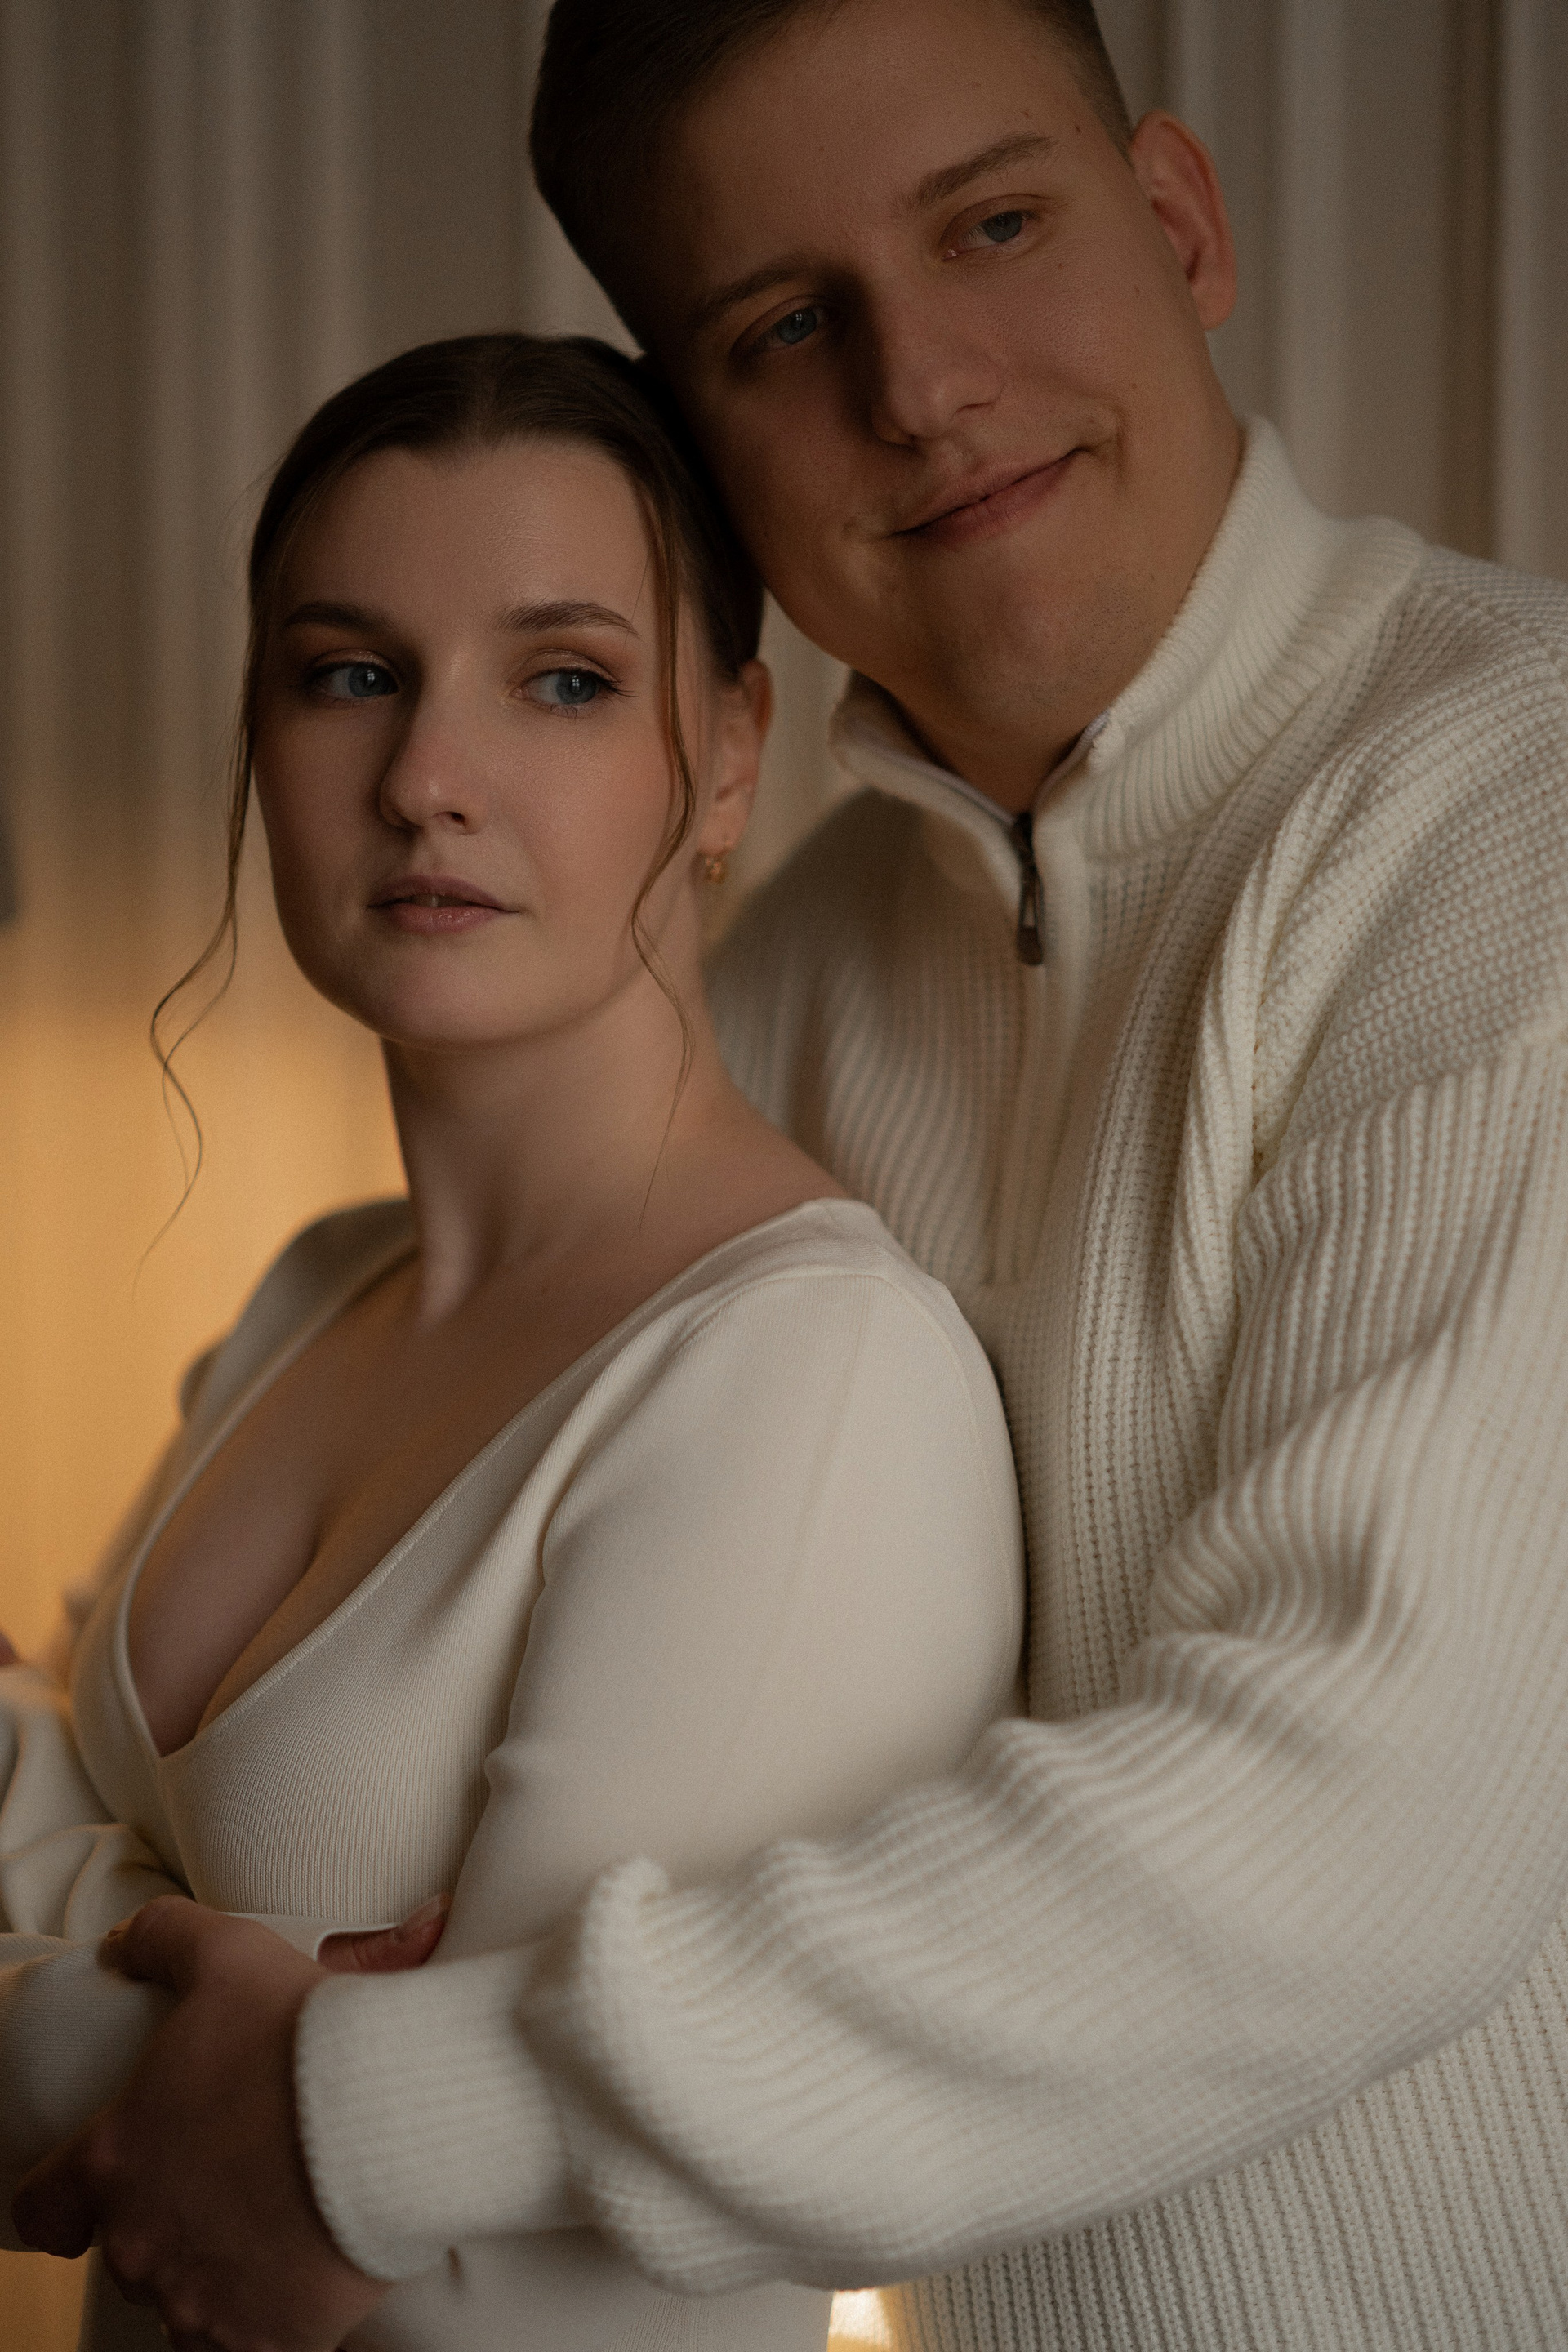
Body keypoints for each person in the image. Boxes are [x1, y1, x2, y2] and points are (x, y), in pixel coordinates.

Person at [14, 0, 1568, 2344]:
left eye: (996, 226)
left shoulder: (1511, 806)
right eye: (782, 327)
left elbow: (1375, 1810)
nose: (920, 386)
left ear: (1179, 221)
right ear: (706, 447)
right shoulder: (793, 978)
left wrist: (375, 2104)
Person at [0, 329, 1024, 2352]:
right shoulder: (311, 1295)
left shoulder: (806, 1378)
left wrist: (91, 1988)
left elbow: (536, 2294)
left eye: (562, 680)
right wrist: (265, 2045)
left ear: (728, 754)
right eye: (348, 674)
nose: (425, 780)